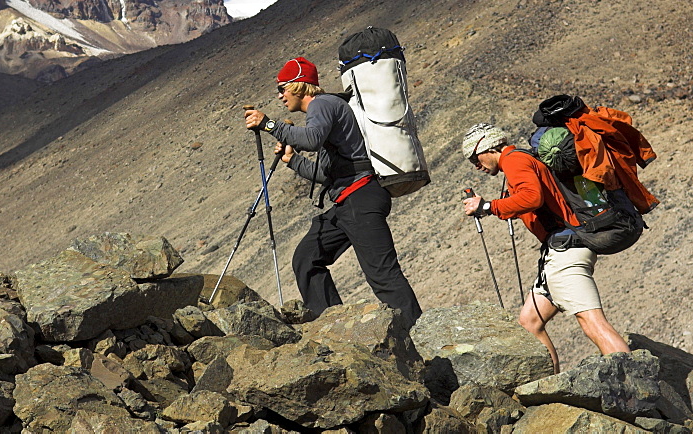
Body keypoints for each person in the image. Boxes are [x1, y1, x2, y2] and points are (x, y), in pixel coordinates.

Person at [243, 56, 422, 327]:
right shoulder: (328, 111)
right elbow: (325, 175)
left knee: (383, 275)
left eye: (283, 88)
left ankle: (418, 332)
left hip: (361, 198)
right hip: (348, 202)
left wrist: (269, 125)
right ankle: (333, 325)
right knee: (306, 258)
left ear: (299, 85)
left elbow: (311, 140)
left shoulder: (322, 104)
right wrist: (292, 161)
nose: (280, 96)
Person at [461, 123, 630, 372]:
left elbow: (532, 197)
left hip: (567, 253)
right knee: (530, 322)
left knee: (592, 322)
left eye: (475, 157)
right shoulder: (521, 160)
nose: (476, 164)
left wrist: (488, 207)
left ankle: (636, 384)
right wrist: (498, 207)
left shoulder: (514, 161)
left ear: (488, 147)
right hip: (558, 252)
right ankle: (547, 389)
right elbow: (536, 202)